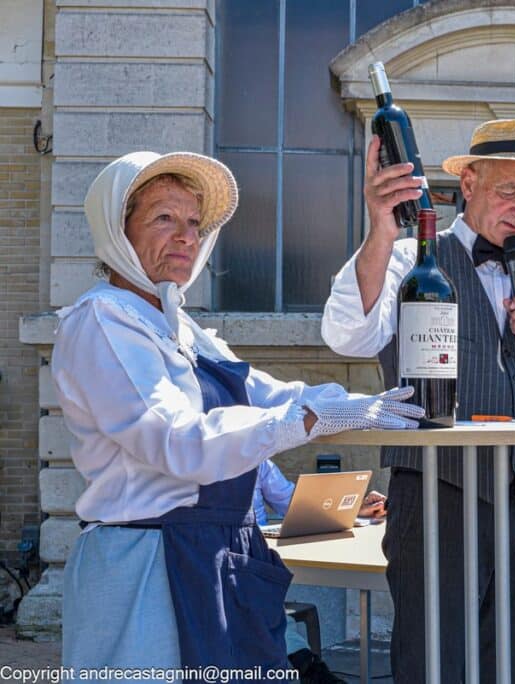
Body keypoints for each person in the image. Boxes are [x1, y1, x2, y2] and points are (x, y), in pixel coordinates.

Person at [55, 151, 424, 682]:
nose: (186, 236)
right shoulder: (103, 320)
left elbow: (273, 394)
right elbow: (177, 440)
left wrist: (370, 405)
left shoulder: (182, 327)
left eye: (193, 223)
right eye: (163, 218)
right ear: (117, 229)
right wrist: (319, 416)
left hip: (212, 557)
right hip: (148, 567)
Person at [322, 119, 515, 682]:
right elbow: (347, 333)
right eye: (509, 191)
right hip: (439, 494)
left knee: (510, 662)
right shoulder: (408, 260)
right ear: (468, 184)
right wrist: (378, 228)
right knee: (434, 660)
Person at [252, 459, 387, 684]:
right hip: (234, 566)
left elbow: (297, 506)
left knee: (265, 604)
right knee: (263, 606)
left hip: (261, 564)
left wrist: (356, 510)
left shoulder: (258, 460)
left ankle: (307, 667)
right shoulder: (195, 461)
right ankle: (308, 667)